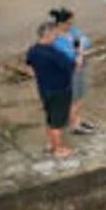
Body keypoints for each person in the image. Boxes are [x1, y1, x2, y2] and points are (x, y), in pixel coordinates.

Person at [27, 21, 75, 158]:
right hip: (60, 90)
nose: (57, 37)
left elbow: (30, 67)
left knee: (50, 117)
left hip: (44, 89)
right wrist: (77, 58)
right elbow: (70, 66)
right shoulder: (54, 54)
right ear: (48, 35)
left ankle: (51, 143)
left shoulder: (33, 50)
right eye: (55, 34)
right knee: (57, 122)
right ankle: (59, 149)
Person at [50, 8, 95, 136]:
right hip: (68, 72)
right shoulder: (56, 38)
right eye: (69, 23)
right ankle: (74, 125)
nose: (71, 25)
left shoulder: (73, 31)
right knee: (73, 99)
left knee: (80, 96)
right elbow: (68, 55)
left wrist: (79, 49)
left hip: (80, 68)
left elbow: (86, 40)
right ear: (60, 24)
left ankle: (78, 120)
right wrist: (79, 51)